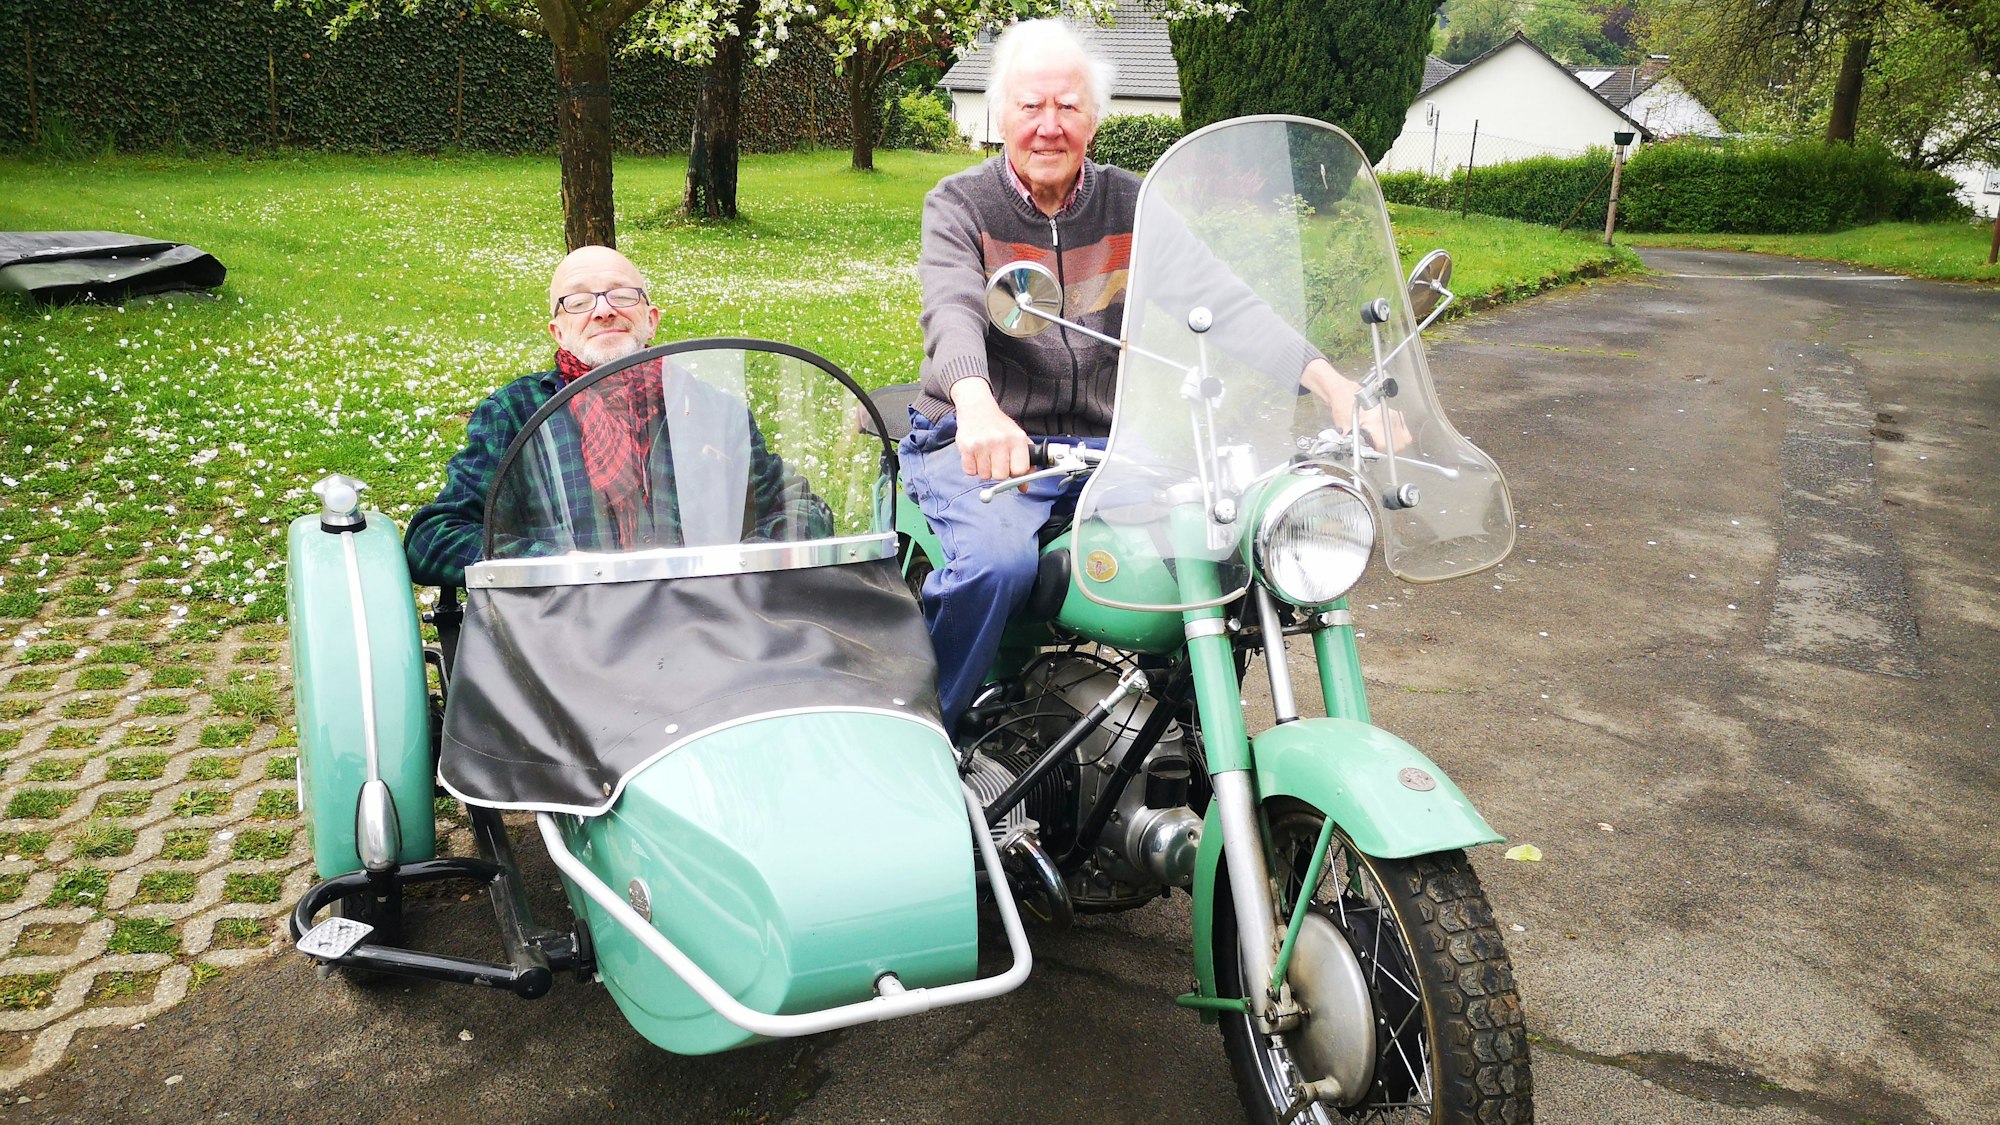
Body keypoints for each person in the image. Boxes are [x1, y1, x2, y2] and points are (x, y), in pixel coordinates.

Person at [903, 19, 1406, 732]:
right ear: (1000, 114)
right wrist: (977, 402)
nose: (1049, 126)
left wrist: (1332, 384)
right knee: (995, 567)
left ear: (1095, 119)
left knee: (1225, 548)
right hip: (980, 440)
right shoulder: (960, 204)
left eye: (1068, 106)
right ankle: (930, 734)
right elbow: (953, 308)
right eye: (1030, 106)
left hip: (1104, 449)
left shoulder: (1132, 204)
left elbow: (1226, 301)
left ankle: (1184, 742)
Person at [406, 245, 825, 587]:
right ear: (558, 331)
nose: (604, 311)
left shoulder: (713, 410)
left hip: (709, 625)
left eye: (622, 296)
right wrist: (559, 568)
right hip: (570, 639)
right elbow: (433, 538)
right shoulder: (516, 414)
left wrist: (735, 568)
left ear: (651, 319)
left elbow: (804, 511)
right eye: (579, 301)